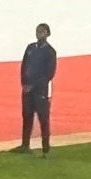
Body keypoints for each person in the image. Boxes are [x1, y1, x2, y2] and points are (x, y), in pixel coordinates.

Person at [15, 23, 56, 156]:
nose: (39, 33)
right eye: (38, 31)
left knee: (43, 118)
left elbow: (49, 74)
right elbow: (24, 66)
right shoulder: (30, 48)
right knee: (27, 117)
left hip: (41, 91)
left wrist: (33, 85)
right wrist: (24, 84)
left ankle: (45, 148)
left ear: (48, 34)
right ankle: (25, 145)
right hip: (27, 90)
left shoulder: (50, 52)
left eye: (42, 32)